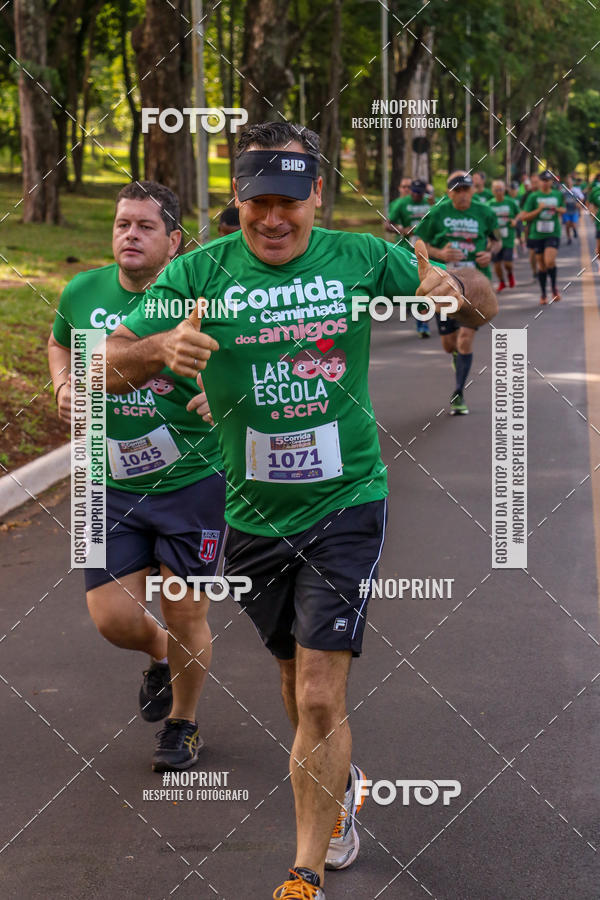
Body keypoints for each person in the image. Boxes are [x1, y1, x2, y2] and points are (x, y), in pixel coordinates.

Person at [104, 122, 497, 899]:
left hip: (346, 500)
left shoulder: (361, 256)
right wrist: (156, 352)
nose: (274, 218)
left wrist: (455, 284)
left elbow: (478, 309)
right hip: (252, 516)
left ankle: (305, 869)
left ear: (317, 193)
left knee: (320, 691)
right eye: (257, 202)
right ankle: (338, 784)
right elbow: (105, 363)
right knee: (292, 680)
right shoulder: (198, 272)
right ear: (238, 201)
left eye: (290, 199)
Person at [47, 181, 226, 772]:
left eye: (145, 226)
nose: (130, 234)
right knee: (113, 619)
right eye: (123, 223)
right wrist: (64, 383)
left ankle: (184, 722)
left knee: (184, 610)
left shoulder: (204, 294)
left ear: (174, 241)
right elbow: (60, 344)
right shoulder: (82, 290)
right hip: (105, 479)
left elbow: (243, 363)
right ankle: (159, 655)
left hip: (192, 478)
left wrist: (222, 399)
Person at [415, 170, 500, 415]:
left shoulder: (485, 212)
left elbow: (496, 240)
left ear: (473, 190)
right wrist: (441, 254)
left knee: (465, 339)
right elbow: (420, 246)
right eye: (457, 190)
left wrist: (490, 253)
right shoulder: (437, 213)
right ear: (449, 192)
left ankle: (459, 392)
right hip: (444, 286)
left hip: (474, 287)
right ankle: (457, 360)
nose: (462, 195)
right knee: (448, 344)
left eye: (466, 189)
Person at [385, 178, 432, 336]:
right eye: (414, 192)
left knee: (427, 284)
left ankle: (424, 321)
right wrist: (402, 230)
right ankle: (422, 319)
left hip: (429, 249)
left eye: (420, 193)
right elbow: (387, 224)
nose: (416, 195)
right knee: (418, 285)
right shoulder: (401, 204)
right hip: (408, 249)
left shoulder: (431, 202)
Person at [520, 170, 566, 304]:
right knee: (542, 265)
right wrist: (539, 210)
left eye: (548, 180)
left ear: (551, 182)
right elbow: (524, 216)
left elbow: (563, 209)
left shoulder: (557, 195)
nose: (545, 183)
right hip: (537, 234)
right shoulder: (533, 197)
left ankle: (554, 289)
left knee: (549, 261)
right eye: (543, 180)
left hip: (553, 233)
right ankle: (543, 294)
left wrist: (555, 209)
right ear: (539, 182)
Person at [488, 179, 519, 290]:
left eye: (501, 189)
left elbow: (518, 214)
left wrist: (515, 220)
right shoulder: (489, 204)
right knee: (497, 264)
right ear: (493, 191)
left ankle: (510, 274)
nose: (499, 192)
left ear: (504, 190)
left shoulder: (510, 202)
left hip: (508, 236)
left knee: (507, 263)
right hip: (495, 236)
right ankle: (502, 282)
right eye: (496, 190)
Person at [519, 173, 540, 281]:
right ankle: (535, 272)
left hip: (545, 230)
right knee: (532, 253)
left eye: (536, 182)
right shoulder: (527, 195)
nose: (534, 185)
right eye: (533, 182)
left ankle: (542, 270)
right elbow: (522, 212)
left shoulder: (547, 193)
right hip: (531, 227)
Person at [560, 174, 584, 244]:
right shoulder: (563, 191)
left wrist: (579, 204)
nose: (568, 183)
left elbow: (582, 198)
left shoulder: (576, 190)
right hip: (566, 210)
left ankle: (574, 229)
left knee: (573, 224)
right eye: (567, 182)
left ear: (572, 183)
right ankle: (569, 238)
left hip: (574, 210)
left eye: (570, 182)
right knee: (567, 224)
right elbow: (560, 199)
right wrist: (563, 203)